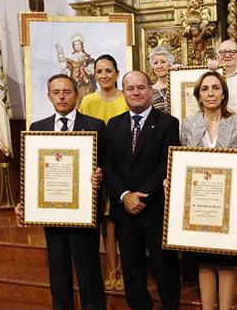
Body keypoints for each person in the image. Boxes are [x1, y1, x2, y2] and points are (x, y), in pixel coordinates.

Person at [15, 74, 107, 310]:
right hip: (52, 212)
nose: (62, 96)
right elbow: (31, 172)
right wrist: (23, 201)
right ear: (49, 97)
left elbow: (107, 164)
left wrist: (100, 174)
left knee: (88, 270)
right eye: (56, 92)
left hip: (83, 212)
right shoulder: (38, 128)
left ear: (77, 94)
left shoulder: (95, 126)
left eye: (66, 91)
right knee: (58, 270)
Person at [103, 70, 181, 310]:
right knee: (132, 267)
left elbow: (167, 164)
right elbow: (108, 165)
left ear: (150, 90)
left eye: (141, 87)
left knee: (164, 266)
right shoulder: (113, 125)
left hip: (155, 208)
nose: (136, 92)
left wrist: (141, 195)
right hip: (124, 210)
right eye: (130, 88)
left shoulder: (168, 122)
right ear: (123, 91)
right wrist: (125, 196)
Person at [180, 71, 237, 310]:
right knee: (204, 262)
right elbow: (182, 159)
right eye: (205, 89)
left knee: (226, 262)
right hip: (200, 203)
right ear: (198, 95)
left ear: (223, 93)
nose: (211, 93)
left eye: (215, 88)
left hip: (228, 204)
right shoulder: (189, 124)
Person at [78, 54, 128, 292]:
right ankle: (111, 271)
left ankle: (125, 270)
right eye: (99, 71)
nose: (104, 75)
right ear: (94, 75)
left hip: (122, 169)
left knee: (118, 225)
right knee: (104, 223)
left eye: (109, 70)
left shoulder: (126, 97)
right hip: (95, 169)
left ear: (117, 73)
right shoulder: (87, 100)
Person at [55, 34, 96, 102]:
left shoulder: (86, 57)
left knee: (86, 98)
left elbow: (91, 68)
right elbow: (67, 68)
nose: (77, 46)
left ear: (81, 45)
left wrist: (86, 70)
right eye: (75, 45)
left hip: (84, 82)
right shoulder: (71, 57)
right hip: (74, 81)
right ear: (73, 46)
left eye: (78, 44)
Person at [148, 46, 175, 113]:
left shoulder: (178, 86)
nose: (159, 66)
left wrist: (181, 73)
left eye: (163, 62)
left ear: (170, 64)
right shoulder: (149, 91)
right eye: (155, 63)